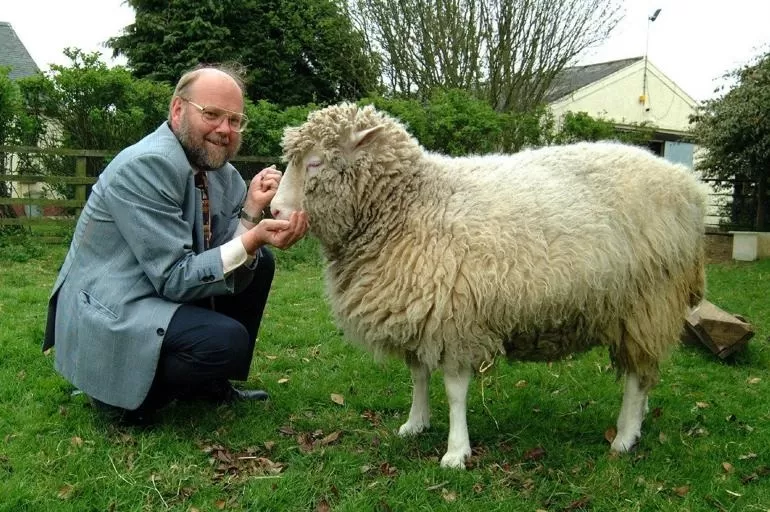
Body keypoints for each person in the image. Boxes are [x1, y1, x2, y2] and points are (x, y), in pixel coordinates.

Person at [42, 64, 308, 425]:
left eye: (234, 120)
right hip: (112, 306)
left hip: (156, 290)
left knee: (258, 262)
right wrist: (250, 238)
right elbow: (175, 278)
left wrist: (250, 212)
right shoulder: (146, 165)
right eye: (212, 114)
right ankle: (120, 400)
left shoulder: (222, 173)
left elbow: (217, 253)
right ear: (178, 109)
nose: (225, 130)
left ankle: (210, 385)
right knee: (224, 340)